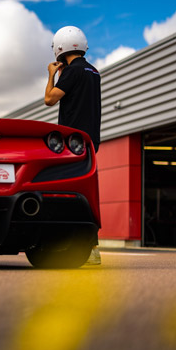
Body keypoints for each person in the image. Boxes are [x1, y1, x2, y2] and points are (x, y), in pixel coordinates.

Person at [44, 25, 102, 265]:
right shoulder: (93, 71)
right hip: (90, 142)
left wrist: (50, 75)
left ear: (60, 49)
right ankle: (92, 249)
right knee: (88, 193)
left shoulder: (73, 71)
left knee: (67, 192)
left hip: (72, 143)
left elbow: (49, 99)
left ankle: (78, 249)